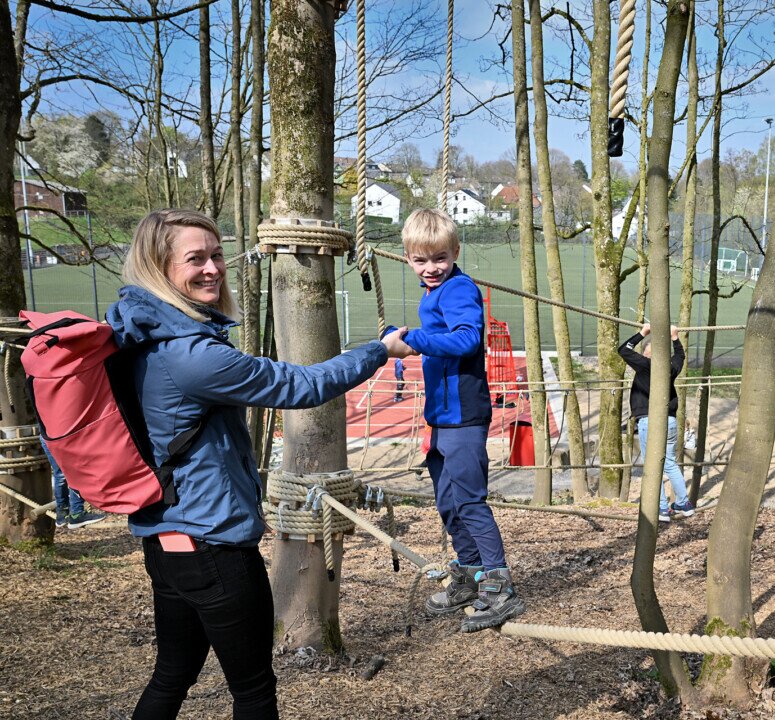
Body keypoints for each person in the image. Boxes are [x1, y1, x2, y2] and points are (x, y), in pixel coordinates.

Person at [106, 209, 412, 719]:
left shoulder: (139, 335)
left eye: (217, 255)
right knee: (253, 691)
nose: (212, 268)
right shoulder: (192, 356)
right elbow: (301, 385)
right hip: (214, 544)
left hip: (167, 539)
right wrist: (378, 351)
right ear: (159, 267)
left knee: (172, 674)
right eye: (195, 259)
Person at [398, 208, 525, 633]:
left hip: (464, 416)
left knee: (469, 501)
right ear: (408, 259)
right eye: (421, 259)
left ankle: (499, 583)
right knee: (449, 502)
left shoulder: (457, 289)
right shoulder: (432, 293)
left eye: (439, 258)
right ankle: (470, 574)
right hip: (442, 417)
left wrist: (413, 340)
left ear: (454, 253)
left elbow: (468, 338)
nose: (431, 268)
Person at [617, 323, 694, 523]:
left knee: (652, 464)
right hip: (669, 420)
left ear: (645, 354)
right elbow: (680, 357)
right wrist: (675, 337)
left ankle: (661, 507)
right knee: (669, 462)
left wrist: (643, 332)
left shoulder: (644, 364)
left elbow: (623, 350)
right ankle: (684, 503)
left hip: (649, 420)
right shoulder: (670, 368)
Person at [40, 436, 104, 530]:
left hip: (46, 437)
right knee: (75, 472)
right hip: (61, 436)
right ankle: (76, 513)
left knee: (60, 474)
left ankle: (62, 513)